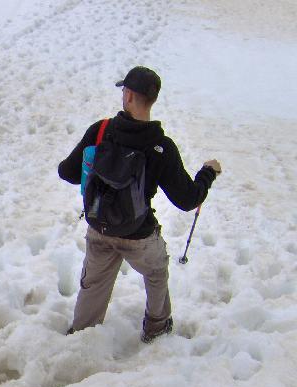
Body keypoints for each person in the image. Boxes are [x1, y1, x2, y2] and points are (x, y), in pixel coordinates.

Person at [58, 66, 222, 342]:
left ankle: (82, 335)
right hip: (139, 235)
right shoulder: (161, 147)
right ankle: (157, 327)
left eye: (124, 90)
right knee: (156, 272)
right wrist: (208, 173)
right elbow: (187, 199)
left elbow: (67, 172)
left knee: (94, 283)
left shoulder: (101, 131)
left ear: (130, 96)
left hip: (99, 227)